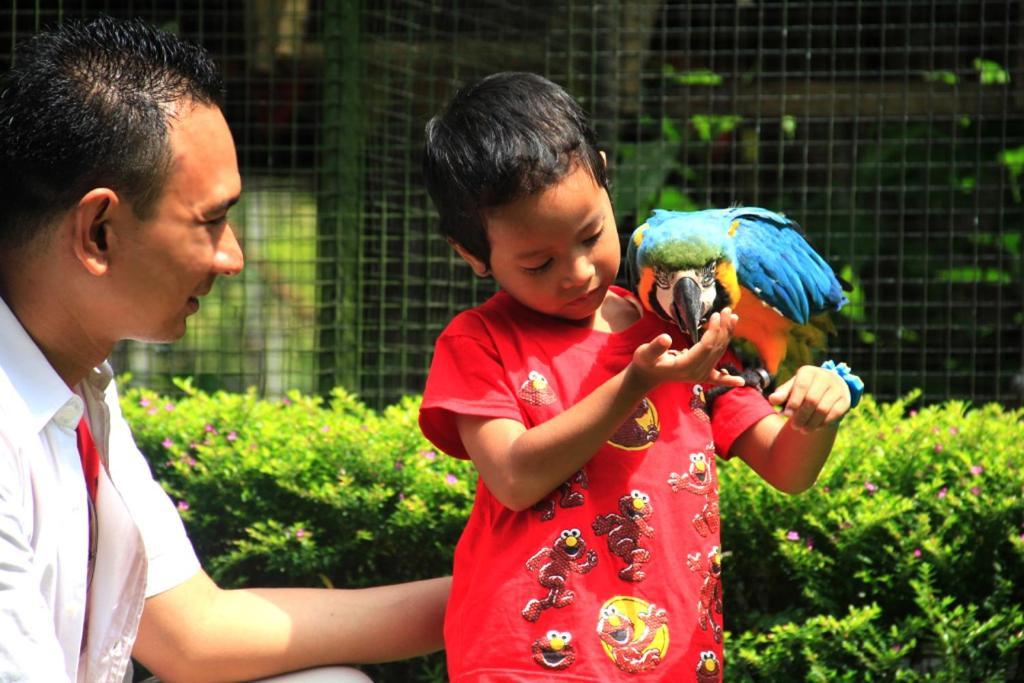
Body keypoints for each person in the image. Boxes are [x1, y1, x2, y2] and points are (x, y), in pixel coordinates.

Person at [0, 16, 448, 683]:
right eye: (211, 220)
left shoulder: (75, 379)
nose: (233, 257)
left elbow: (195, 631)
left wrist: (512, 586)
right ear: (99, 231)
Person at [419, 72, 859, 681]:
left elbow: (786, 467)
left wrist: (816, 414)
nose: (576, 272)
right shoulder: (480, 342)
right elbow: (515, 477)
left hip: (674, 658)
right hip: (526, 659)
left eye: (591, 235)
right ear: (471, 255)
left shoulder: (678, 326)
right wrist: (634, 385)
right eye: (538, 262)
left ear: (603, 175)